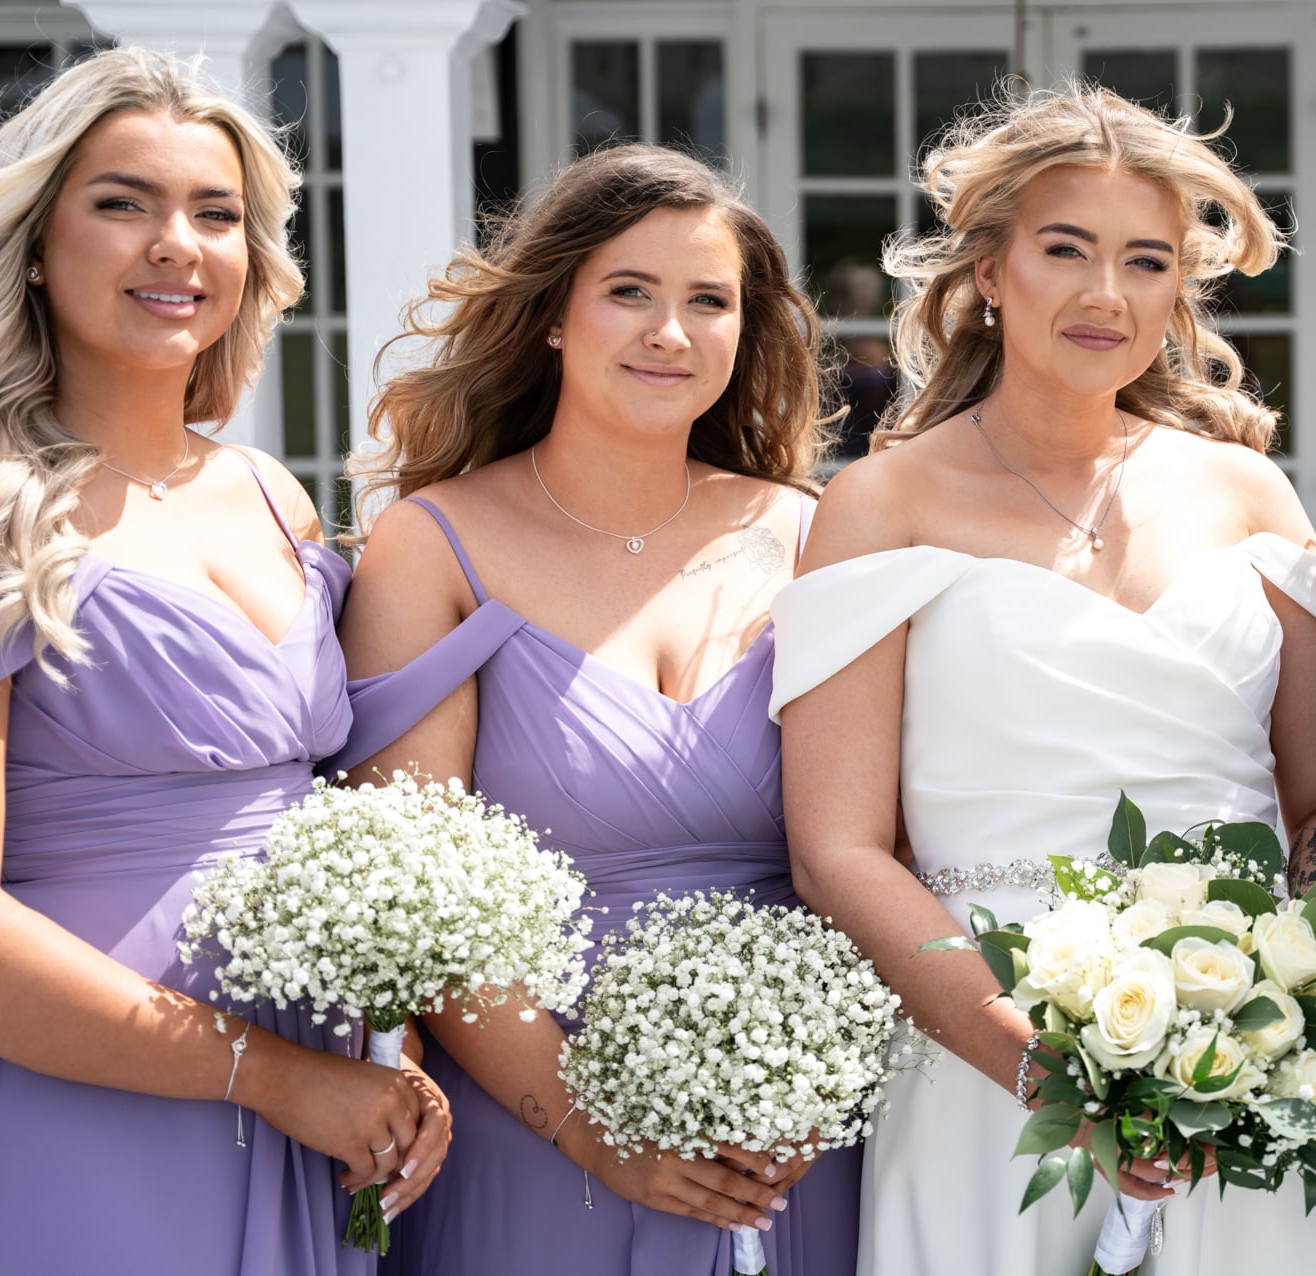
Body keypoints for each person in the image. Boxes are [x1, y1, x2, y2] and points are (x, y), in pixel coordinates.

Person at [769, 83, 1316, 1275]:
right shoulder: (880, 504)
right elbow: (838, 851)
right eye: (1065, 250)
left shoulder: (1246, 493)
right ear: (989, 271)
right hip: (984, 1076)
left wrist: (1276, 1015)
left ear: (1178, 290)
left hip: (1242, 1073)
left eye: (1145, 261)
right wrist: (1037, 1067)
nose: (1106, 295)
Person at [0, 47, 449, 1275]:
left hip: (311, 1097)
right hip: (69, 1103)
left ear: (253, 261)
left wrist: (378, 1046)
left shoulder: (274, 496)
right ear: (35, 241)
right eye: (121, 203)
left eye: (215, 214)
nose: (175, 244)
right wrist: (265, 1075)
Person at [328, 143, 858, 1275]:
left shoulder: (814, 534)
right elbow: (421, 908)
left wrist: (821, 1080)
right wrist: (595, 1132)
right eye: (629, 291)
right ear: (555, 316)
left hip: (789, 1147)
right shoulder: (434, 544)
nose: (670, 332)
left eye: (707, 301)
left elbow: (879, 844)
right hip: (535, 1133)